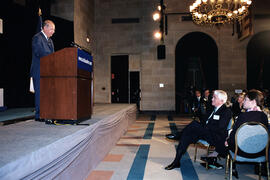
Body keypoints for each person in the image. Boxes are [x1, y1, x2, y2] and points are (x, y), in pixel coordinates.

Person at [165, 90, 232, 170]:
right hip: (205, 133)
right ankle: (176, 162)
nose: (212, 99)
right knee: (186, 136)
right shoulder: (212, 109)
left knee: (194, 124)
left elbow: (220, 128)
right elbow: (204, 121)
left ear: (221, 101)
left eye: (214, 97)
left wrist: (205, 127)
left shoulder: (226, 111)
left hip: (215, 137)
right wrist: (203, 126)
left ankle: (178, 135)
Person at [226, 89, 268, 157]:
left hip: (241, 151)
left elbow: (234, 136)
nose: (243, 102)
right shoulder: (264, 116)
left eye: (245, 100)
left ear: (253, 101)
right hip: (260, 152)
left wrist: (228, 140)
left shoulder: (243, 116)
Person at [30, 20, 55, 122]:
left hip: (48, 71)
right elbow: (38, 52)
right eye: (52, 29)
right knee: (40, 92)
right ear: (45, 28)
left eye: (54, 30)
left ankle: (46, 112)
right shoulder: (37, 38)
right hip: (39, 70)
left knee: (47, 93)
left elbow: (53, 55)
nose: (53, 31)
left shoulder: (50, 41)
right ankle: (39, 115)